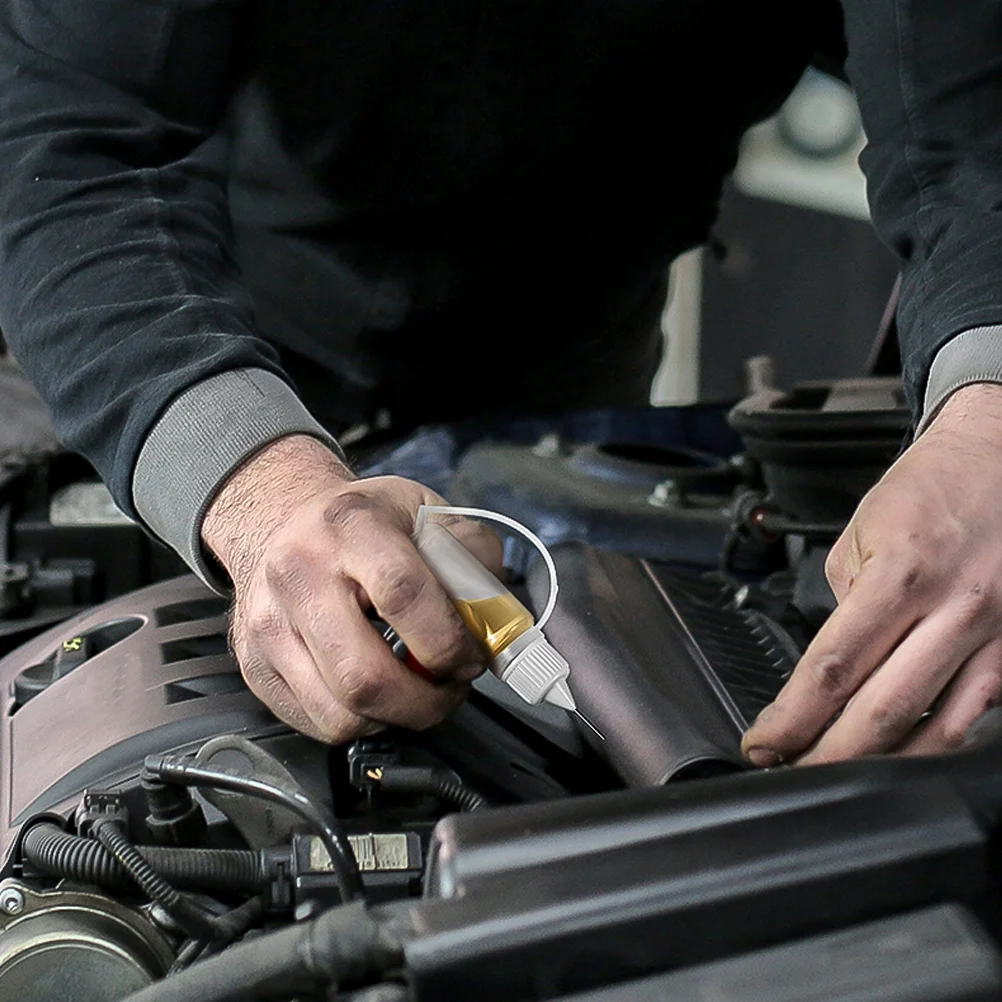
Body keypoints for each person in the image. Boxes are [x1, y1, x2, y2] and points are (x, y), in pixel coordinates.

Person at [0, 0, 997, 762]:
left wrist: (988, 406)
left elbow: (971, 126)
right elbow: (74, 140)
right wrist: (252, 487)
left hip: (565, 339)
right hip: (176, 315)